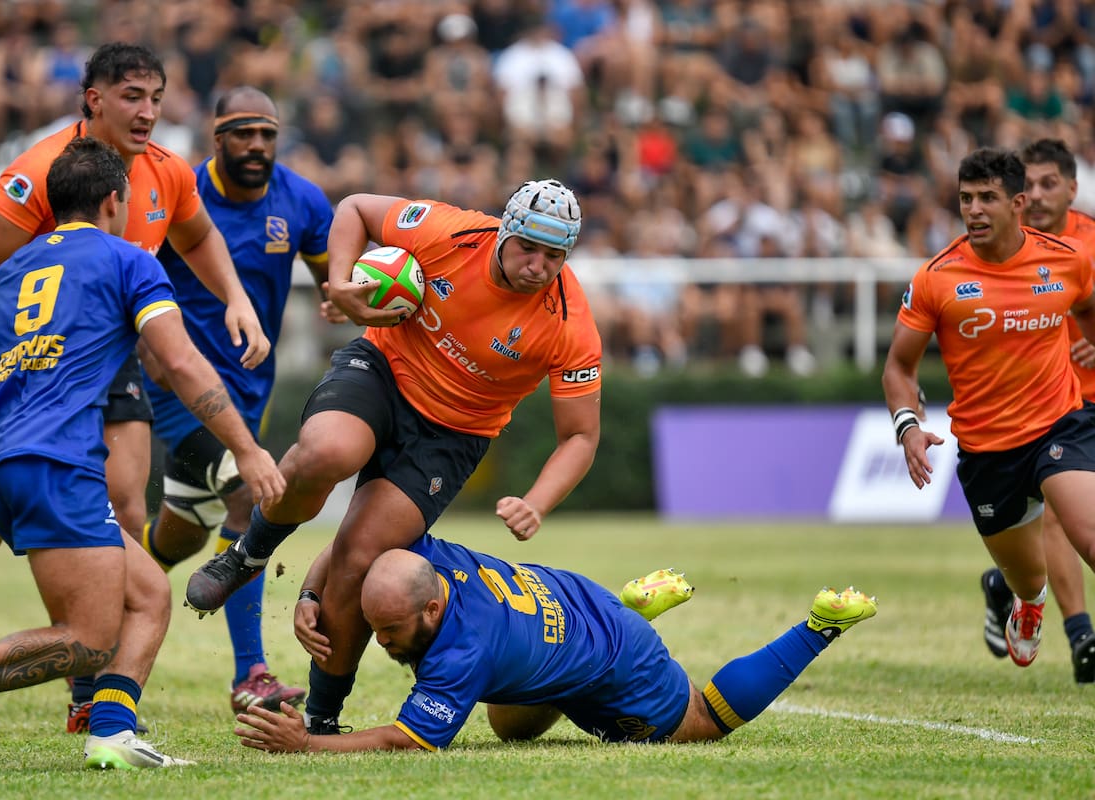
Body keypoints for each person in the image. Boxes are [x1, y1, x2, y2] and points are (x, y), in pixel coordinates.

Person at [0, 42, 270, 732]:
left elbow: (197, 238)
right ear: (93, 99)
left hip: (109, 356)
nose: (148, 112)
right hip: (28, 363)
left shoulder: (166, 171)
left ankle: (91, 702)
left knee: (121, 513)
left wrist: (236, 298)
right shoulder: (39, 170)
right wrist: (28, 359)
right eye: (132, 96)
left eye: (156, 98)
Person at [186, 178, 604, 734]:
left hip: (453, 434)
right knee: (328, 450)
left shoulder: (569, 322)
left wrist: (538, 502)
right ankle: (248, 555)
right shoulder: (452, 233)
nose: (538, 266)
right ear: (504, 232)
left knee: (361, 556)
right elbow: (355, 208)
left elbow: (580, 437)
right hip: (382, 371)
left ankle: (321, 719)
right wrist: (341, 284)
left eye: (554, 256)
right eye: (528, 247)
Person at [231, 534, 877, 753]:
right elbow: (353, 541)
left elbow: (405, 740)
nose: (382, 641)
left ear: (432, 608)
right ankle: (623, 607)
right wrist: (311, 592)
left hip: (618, 656)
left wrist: (307, 744)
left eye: (392, 632)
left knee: (702, 720)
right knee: (508, 730)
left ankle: (819, 626)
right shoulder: (425, 556)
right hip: (566, 602)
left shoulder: (461, 654)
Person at [136, 86, 340, 714]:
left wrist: (346, 297)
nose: (257, 145)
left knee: (180, 536)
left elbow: (332, 279)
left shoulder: (302, 200)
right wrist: (150, 351)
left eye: (267, 134)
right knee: (250, 494)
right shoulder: (178, 195)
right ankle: (251, 675)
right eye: (243, 133)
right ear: (216, 138)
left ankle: (111, 591)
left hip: (249, 391)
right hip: (176, 387)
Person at [883, 146, 1095, 670]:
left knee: (1087, 533)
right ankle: (1027, 601)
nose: (974, 210)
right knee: (1029, 577)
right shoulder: (937, 277)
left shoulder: (1066, 259)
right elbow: (899, 368)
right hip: (986, 450)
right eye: (965, 198)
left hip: (1059, 424)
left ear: (1017, 203)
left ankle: (1073, 628)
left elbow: (1089, 307)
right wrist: (908, 427)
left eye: (987, 198)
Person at [978, 138, 1095, 683]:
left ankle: (1005, 585)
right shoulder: (1002, 248)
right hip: (1050, 412)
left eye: (1051, 183)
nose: (1039, 195)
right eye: (1030, 185)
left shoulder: (1088, 246)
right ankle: (1082, 637)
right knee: (1057, 511)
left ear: (1073, 188)